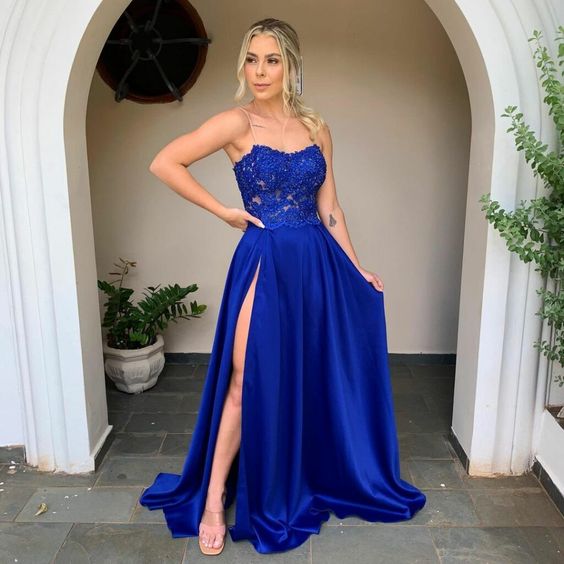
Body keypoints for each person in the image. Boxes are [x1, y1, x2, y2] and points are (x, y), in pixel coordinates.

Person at [139, 17, 426, 556]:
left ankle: (297, 472)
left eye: (272, 60)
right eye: (252, 59)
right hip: (265, 260)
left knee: (309, 372)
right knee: (244, 375)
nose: (260, 71)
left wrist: (356, 267)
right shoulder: (236, 123)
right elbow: (165, 162)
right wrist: (224, 211)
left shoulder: (317, 127)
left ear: (291, 65)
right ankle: (212, 499)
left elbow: (330, 207)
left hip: (315, 262)